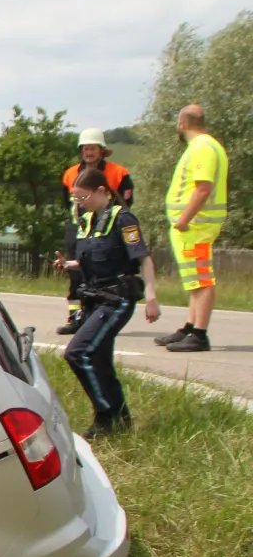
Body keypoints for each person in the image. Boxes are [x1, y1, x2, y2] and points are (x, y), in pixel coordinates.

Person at [56, 167, 161, 438]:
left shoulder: (123, 219)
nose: (80, 205)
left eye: (84, 198)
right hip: (94, 300)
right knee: (101, 361)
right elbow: (92, 260)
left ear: (102, 192)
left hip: (116, 300)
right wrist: (67, 264)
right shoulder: (87, 222)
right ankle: (122, 421)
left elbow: (143, 259)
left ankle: (106, 415)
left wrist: (151, 297)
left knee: (77, 353)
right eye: (76, 201)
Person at [154, 104, 229, 353]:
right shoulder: (207, 146)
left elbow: (202, 188)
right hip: (194, 225)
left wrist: (184, 219)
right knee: (195, 279)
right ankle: (191, 326)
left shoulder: (201, 148)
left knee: (202, 278)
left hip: (196, 225)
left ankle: (199, 333)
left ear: (182, 123)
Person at [56, 129, 136, 334]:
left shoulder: (119, 173)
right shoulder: (70, 173)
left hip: (106, 229)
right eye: (85, 148)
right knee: (75, 274)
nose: (89, 152)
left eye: (93, 148)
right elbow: (67, 201)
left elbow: (127, 201)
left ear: (101, 150)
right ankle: (74, 317)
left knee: (100, 272)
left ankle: (97, 314)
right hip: (78, 228)